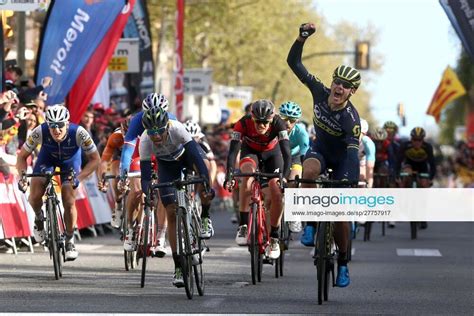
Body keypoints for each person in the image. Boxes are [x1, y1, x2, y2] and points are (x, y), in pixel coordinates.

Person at [287, 22, 361, 288]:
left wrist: (349, 181)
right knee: (307, 172)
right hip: (320, 151)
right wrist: (301, 38)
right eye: (337, 82)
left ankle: (343, 262)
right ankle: (309, 223)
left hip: (342, 162)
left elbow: (353, 155)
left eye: (346, 86)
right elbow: (294, 63)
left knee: (340, 215)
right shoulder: (319, 91)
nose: (339, 88)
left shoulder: (351, 119)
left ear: (352, 92)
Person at [139, 107, 214, 287]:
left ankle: (204, 216)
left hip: (186, 157)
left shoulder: (177, 128)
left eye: (159, 131)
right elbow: (146, 176)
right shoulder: (145, 140)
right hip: (167, 166)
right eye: (152, 132)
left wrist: (205, 182)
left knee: (204, 172)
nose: (155, 136)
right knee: (171, 213)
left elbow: (195, 156)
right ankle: (178, 266)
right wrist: (148, 192)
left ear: (166, 127)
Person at [16, 104, 100, 261]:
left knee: (69, 199)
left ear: (67, 123)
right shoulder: (40, 131)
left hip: (70, 163)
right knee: (34, 195)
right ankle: (39, 217)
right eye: (52, 126)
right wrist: (22, 176)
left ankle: (69, 239)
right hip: (46, 160)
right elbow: (21, 157)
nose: (56, 130)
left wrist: (80, 177)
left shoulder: (79, 133)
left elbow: (96, 159)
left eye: (60, 125)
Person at [224, 99, 291, 260]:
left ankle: (274, 237)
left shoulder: (278, 123)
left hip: (272, 155)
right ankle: (243, 225)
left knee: (276, 194)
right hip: (250, 152)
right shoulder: (242, 123)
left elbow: (287, 153)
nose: (261, 125)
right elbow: (233, 152)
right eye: (258, 122)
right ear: (251, 118)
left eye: (265, 122)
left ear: (271, 120)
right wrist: (230, 175)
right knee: (246, 177)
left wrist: (285, 177)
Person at [278, 101, 309, 233]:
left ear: (296, 121)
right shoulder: (274, 128)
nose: (288, 124)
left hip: (295, 157)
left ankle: (294, 214)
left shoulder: (301, 132)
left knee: (294, 180)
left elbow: (305, 155)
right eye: (284, 119)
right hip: (278, 156)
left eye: (292, 120)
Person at [359, 119, 376, 188]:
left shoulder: (368, 144)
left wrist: (369, 189)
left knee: (361, 178)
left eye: (358, 133)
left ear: (364, 133)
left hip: (360, 162)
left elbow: (370, 169)